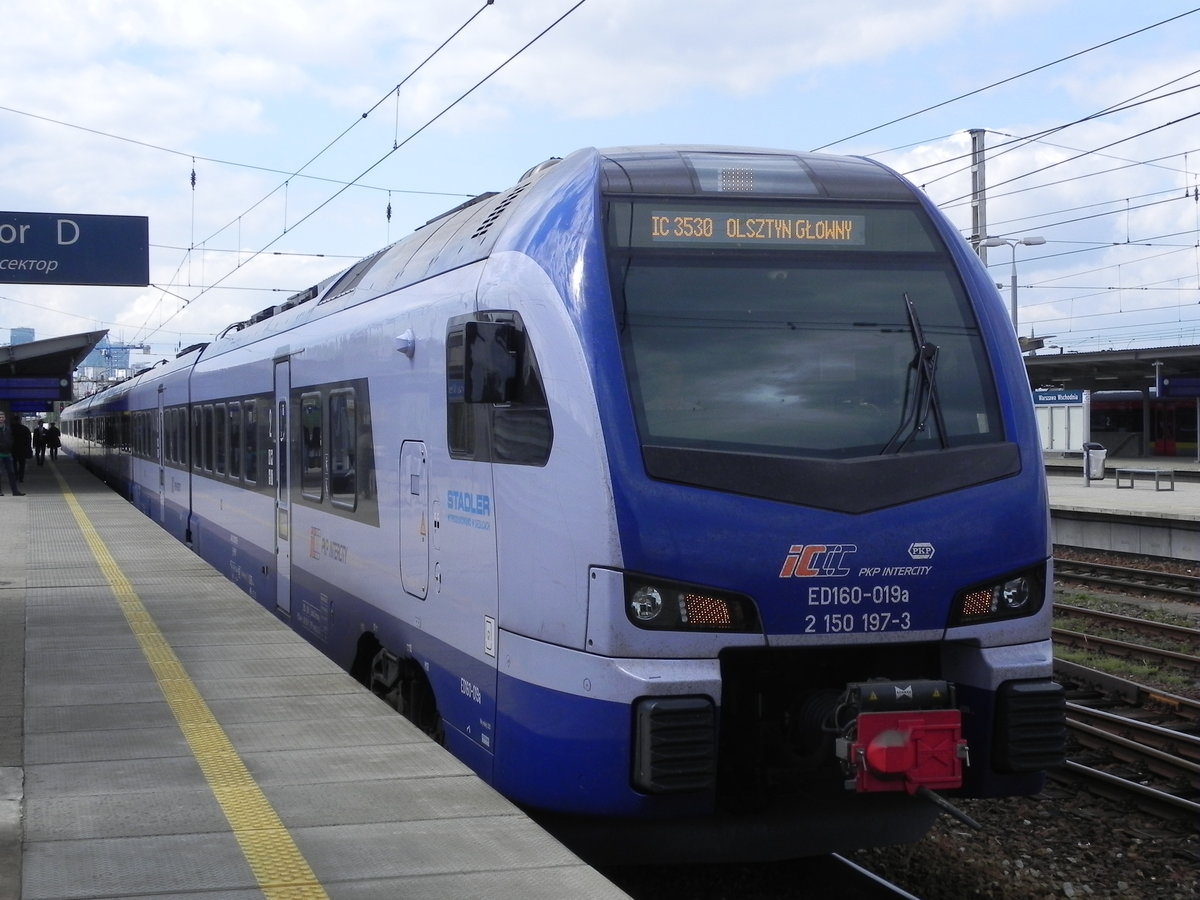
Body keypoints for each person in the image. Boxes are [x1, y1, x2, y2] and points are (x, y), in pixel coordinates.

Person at [0, 412, 26, 496]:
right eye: (0, 417)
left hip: (8, 454)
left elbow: (11, 439)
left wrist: (9, 445)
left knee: (11, 473)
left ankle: (15, 491)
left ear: (5, 418)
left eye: (2, 417)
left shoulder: (8, 429)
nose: (1, 418)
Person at [11, 417, 32, 482]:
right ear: (20, 420)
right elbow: (29, 440)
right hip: (23, 450)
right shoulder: (25, 429)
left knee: (13, 464)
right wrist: (28, 449)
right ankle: (21, 478)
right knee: (22, 464)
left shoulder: (10, 429)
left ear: (14, 420)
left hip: (13, 450)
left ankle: (15, 476)